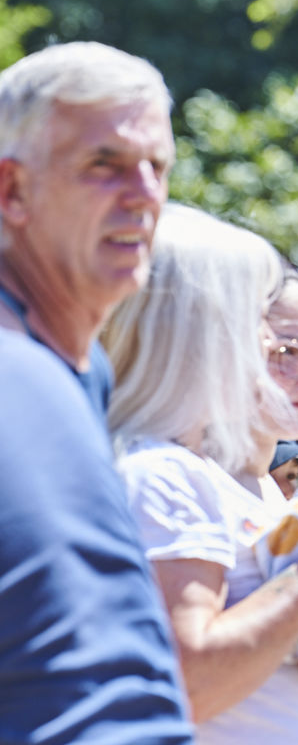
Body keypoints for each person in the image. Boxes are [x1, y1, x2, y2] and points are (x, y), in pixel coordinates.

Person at [106, 207, 298, 744]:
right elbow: (189, 689)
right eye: (281, 350)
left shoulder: (254, 481)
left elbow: (280, 650)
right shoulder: (162, 472)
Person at [0, 42, 192, 743]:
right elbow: (94, 712)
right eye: (103, 165)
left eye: (158, 167)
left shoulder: (71, 368)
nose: (145, 194)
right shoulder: (20, 381)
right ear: (11, 191)